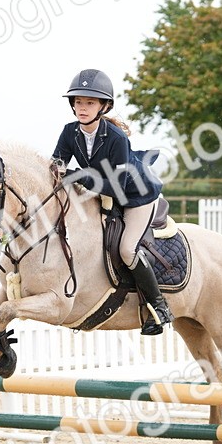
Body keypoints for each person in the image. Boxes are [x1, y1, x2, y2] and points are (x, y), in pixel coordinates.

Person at [50, 68, 171, 336]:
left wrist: (79, 175)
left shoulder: (117, 138)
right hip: (103, 192)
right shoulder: (70, 132)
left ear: (104, 106)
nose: (82, 108)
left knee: (127, 250)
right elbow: (57, 166)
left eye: (89, 102)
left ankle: (158, 307)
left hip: (135, 196)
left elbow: (116, 187)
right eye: (78, 102)